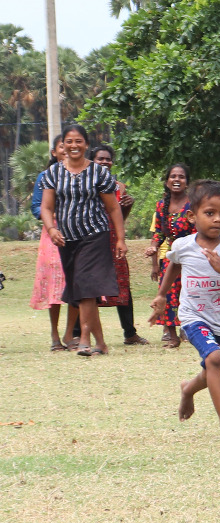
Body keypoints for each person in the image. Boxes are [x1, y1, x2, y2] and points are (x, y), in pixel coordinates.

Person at [155, 179, 220, 439]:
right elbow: (174, 265)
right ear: (192, 216)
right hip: (192, 316)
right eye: (209, 213)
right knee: (215, 359)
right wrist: (162, 295)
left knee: (212, 369)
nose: (217, 219)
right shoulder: (183, 245)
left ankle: (188, 389)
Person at [39, 124, 126, 358]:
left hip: (95, 234)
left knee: (86, 286)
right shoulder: (53, 173)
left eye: (78, 141)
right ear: (63, 145)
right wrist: (51, 229)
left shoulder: (98, 173)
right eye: (69, 141)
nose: (74, 145)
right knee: (80, 288)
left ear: (86, 144)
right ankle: (101, 343)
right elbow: (46, 207)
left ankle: (85, 339)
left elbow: (113, 208)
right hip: (67, 240)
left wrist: (120, 239)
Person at [90, 146, 147, 346]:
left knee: (122, 284)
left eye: (108, 159)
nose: (105, 162)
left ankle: (130, 333)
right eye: (100, 159)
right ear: (92, 161)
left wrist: (128, 206)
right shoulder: (85, 184)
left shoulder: (119, 187)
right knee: (88, 286)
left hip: (114, 239)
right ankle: (79, 333)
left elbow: (119, 218)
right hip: (91, 239)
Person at [29, 136, 71, 350]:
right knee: (55, 284)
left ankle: (70, 334)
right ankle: (55, 335)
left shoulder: (82, 174)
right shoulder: (45, 176)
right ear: (54, 152)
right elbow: (36, 207)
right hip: (52, 234)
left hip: (77, 230)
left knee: (77, 281)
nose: (67, 149)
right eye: (62, 146)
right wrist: (53, 216)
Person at [146, 163, 193, 348]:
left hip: (193, 255)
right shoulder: (161, 205)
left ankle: (193, 331)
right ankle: (172, 336)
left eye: (181, 176)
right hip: (172, 257)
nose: (177, 179)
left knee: (192, 293)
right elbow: (158, 232)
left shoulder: (193, 203)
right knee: (169, 294)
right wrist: (153, 247)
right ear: (167, 182)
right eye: (173, 176)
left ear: (187, 182)